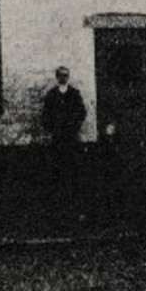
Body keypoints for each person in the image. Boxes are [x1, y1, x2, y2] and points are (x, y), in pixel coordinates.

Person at [40, 66, 87, 196]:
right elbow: (46, 114)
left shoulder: (74, 93)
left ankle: (72, 190)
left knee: (72, 162)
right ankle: (58, 190)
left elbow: (82, 112)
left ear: (68, 77)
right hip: (57, 136)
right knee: (57, 163)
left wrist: (74, 126)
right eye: (60, 75)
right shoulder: (51, 94)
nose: (63, 78)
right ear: (57, 77)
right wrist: (52, 128)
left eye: (66, 75)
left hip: (71, 136)